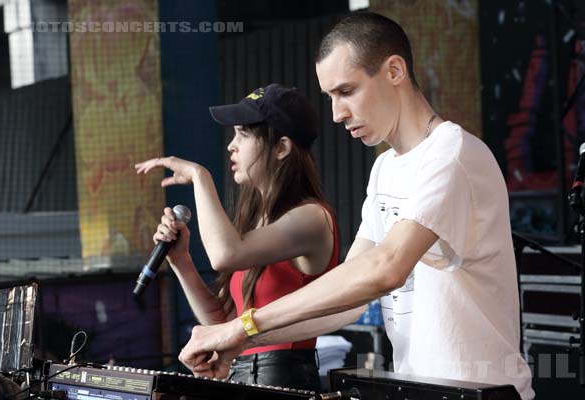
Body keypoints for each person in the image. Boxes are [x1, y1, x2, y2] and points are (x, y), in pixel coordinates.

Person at [178, 12, 535, 400]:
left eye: (346, 91)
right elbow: (348, 300)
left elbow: (385, 269)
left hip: (485, 393)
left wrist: (242, 327)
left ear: (394, 70)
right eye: (330, 97)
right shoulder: (384, 168)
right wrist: (244, 341)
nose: (336, 113)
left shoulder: (451, 153)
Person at [134, 83, 344, 392]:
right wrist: (182, 261)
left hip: (283, 382)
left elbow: (224, 255)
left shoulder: (311, 217)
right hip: (241, 375)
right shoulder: (259, 222)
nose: (232, 146)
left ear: (281, 148)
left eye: (243, 135)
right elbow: (223, 324)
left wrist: (199, 177)